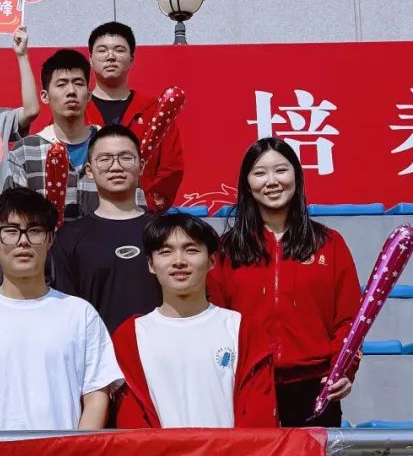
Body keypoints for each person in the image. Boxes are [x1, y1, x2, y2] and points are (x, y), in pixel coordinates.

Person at [0, 188, 120, 432]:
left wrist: (77, 451)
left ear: (50, 239)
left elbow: (96, 395)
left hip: (65, 454)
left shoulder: (80, 314)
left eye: (34, 231)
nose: (23, 241)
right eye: (11, 231)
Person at [207, 137, 360, 431]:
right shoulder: (227, 250)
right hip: (247, 386)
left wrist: (343, 370)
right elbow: (215, 318)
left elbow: (347, 319)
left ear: (296, 177)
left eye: (281, 170)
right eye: (260, 173)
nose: (272, 181)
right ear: (247, 183)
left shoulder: (329, 244)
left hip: (315, 387)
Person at [113, 213, 276, 429]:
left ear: (211, 261)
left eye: (191, 250)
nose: (179, 261)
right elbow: (131, 422)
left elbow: (258, 421)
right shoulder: (131, 336)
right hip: (160, 452)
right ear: (151, 264)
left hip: (229, 451)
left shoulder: (241, 330)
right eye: (165, 252)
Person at [50, 125, 160, 333]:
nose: (116, 166)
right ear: (89, 170)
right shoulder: (68, 238)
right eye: (105, 159)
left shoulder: (166, 232)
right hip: (96, 349)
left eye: (126, 158)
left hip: (159, 347)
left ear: (141, 166)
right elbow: (66, 312)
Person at [86, 21, 184, 212]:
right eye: (102, 50)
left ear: (131, 59)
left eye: (119, 50)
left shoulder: (155, 111)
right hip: (86, 216)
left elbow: (171, 168)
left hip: (142, 216)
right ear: (90, 59)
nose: (111, 56)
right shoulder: (76, 110)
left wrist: (145, 204)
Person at [4, 50, 98, 217]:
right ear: (45, 96)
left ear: (89, 94)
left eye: (78, 83)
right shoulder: (24, 152)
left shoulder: (111, 146)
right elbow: (12, 216)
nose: (71, 91)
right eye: (61, 84)